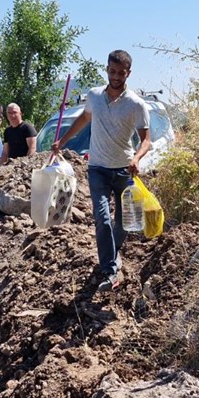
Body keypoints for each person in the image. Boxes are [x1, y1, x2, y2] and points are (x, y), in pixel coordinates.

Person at [52, 50, 150, 292]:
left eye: (121, 73)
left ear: (129, 73)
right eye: (112, 71)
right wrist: (62, 141)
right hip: (97, 168)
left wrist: (137, 157)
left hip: (125, 171)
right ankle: (109, 270)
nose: (116, 76)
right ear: (107, 69)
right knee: (102, 218)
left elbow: (146, 139)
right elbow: (83, 119)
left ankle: (112, 254)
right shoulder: (94, 96)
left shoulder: (136, 104)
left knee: (125, 223)